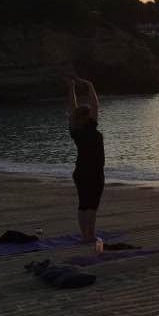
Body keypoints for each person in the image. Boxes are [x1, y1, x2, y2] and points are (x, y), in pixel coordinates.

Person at [66, 78, 104, 243]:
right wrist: (90, 86)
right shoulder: (89, 127)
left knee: (84, 203)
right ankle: (90, 234)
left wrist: (72, 88)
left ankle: (86, 235)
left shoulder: (76, 130)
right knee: (92, 204)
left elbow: (72, 108)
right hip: (94, 171)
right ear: (88, 116)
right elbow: (95, 105)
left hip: (81, 171)